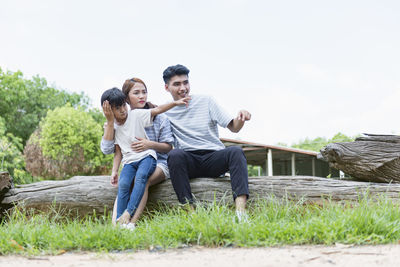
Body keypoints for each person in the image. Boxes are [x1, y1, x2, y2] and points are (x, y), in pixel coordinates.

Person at [163, 64, 251, 221]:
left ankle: (240, 213)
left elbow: (234, 128)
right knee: (174, 155)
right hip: (189, 161)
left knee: (236, 151)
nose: (183, 88)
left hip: (213, 157)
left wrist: (241, 117)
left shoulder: (206, 101)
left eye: (185, 82)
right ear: (167, 87)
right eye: (177, 84)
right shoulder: (165, 112)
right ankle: (191, 214)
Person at [100, 87, 189, 229]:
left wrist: (176, 103)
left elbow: (158, 110)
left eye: (123, 105)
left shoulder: (135, 115)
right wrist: (114, 171)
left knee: (141, 177)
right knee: (123, 184)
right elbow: (116, 152)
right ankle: (119, 223)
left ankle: (129, 215)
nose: (123, 110)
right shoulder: (112, 126)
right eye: (117, 108)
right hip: (129, 162)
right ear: (109, 111)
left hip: (147, 157)